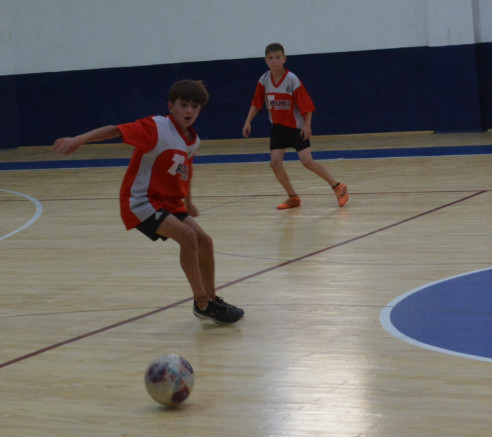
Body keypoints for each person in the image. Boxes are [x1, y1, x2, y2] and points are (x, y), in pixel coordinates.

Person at [52, 79, 244, 325]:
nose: (189, 111)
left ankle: (210, 299)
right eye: (183, 104)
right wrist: (78, 139)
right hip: (140, 200)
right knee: (187, 237)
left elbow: (185, 171)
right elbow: (115, 129)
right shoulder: (155, 127)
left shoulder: (193, 141)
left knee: (205, 241)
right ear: (171, 106)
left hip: (170, 202)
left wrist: (188, 200)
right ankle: (202, 303)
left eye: (195, 107)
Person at [241, 43, 348, 210]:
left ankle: (338, 186)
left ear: (284, 59)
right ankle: (293, 197)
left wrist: (307, 125)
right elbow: (256, 103)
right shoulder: (264, 80)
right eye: (270, 58)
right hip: (278, 128)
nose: (274, 61)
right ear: (265, 61)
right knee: (275, 163)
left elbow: (306, 104)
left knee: (307, 162)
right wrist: (248, 121)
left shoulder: (292, 79)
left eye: (277, 57)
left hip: (296, 128)